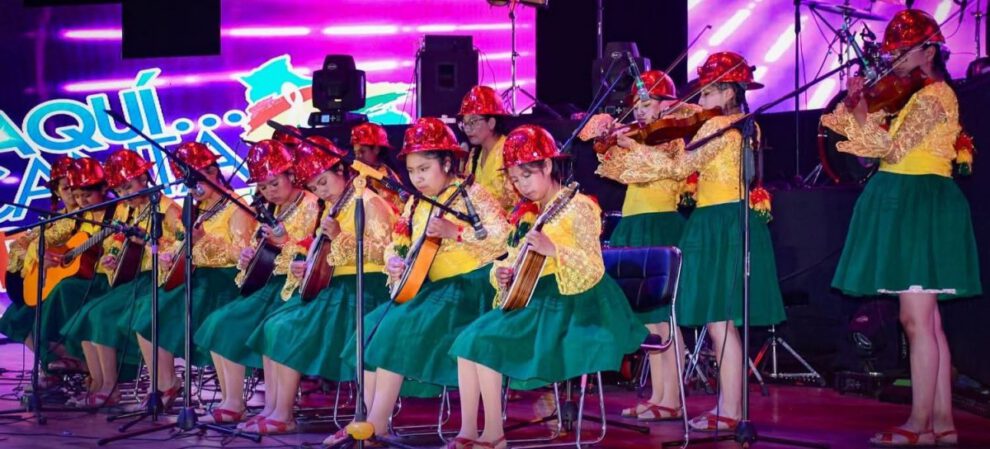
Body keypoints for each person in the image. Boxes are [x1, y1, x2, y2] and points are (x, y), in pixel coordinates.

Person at [820, 9, 981, 447]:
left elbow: (889, 149)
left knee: (916, 320)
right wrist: (860, 107)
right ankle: (942, 422)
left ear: (929, 50)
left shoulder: (934, 95)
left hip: (919, 201)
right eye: (891, 51)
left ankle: (920, 425)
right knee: (928, 322)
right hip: (912, 200)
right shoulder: (911, 96)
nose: (893, 59)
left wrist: (859, 108)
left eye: (902, 50)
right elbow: (874, 152)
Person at [447, 124, 647, 449]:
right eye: (514, 179)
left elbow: (593, 264)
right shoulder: (529, 214)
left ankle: (494, 434)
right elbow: (511, 258)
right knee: (468, 340)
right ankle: (469, 431)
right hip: (536, 297)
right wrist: (502, 274)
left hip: (577, 299)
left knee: (483, 342)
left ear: (548, 166)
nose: (521, 185)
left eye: (527, 175)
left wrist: (554, 250)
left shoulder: (580, 206)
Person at [619, 52, 786, 431]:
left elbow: (679, 167)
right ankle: (726, 407)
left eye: (709, 93)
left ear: (729, 93)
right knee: (718, 321)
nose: (702, 102)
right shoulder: (732, 126)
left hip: (723, 220)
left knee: (720, 322)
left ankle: (730, 410)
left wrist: (638, 149)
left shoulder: (727, 126)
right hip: (716, 219)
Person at [323, 117, 510, 447]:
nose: (417, 178)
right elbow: (401, 242)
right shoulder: (415, 203)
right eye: (412, 171)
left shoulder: (472, 194)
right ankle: (365, 418)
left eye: (425, 168)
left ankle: (375, 423)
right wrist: (395, 259)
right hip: (433, 288)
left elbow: (501, 240)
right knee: (371, 327)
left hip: (471, 287)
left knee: (396, 329)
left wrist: (458, 233)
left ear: (448, 162)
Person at [239, 136, 397, 433]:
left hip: (366, 287)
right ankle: (273, 407)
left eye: (323, 182)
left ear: (341, 170)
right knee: (273, 323)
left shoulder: (370, 201)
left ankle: (284, 414)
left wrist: (339, 237)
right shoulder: (333, 207)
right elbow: (325, 254)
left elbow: (385, 251)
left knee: (285, 327)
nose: (320, 192)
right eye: (313, 188)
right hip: (335, 286)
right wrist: (307, 265)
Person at [193, 139, 321, 421]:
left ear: (292, 175)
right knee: (218, 322)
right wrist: (248, 255)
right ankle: (233, 401)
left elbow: (313, 250)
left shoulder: (311, 204)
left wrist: (284, 242)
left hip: (295, 285)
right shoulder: (272, 210)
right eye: (263, 187)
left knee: (268, 328)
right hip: (269, 283)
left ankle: (277, 411)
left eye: (274, 183)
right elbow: (260, 250)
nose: (269, 192)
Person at [595, 70, 695, 421]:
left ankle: (673, 399)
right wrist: (609, 142)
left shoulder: (674, 139)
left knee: (666, 321)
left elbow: (667, 170)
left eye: (648, 103)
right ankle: (658, 395)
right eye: (637, 104)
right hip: (635, 223)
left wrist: (633, 146)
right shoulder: (642, 138)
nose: (639, 111)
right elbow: (619, 172)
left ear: (667, 104)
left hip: (660, 223)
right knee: (649, 324)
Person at [126, 142, 254, 412]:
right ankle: (162, 384)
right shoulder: (197, 209)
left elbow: (243, 254)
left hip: (224, 282)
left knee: (200, 320)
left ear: (212, 172)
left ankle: (231, 400)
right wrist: (171, 253)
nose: (192, 189)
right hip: (196, 278)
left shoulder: (236, 207)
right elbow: (184, 242)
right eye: (187, 182)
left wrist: (205, 240)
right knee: (146, 314)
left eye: (196, 179)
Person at [60, 150, 184, 408]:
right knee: (90, 313)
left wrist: (155, 244)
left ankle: (163, 382)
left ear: (145, 179)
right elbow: (116, 244)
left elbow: (184, 245)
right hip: (134, 279)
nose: (125, 195)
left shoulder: (169, 210)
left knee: (128, 316)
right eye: (119, 190)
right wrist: (111, 259)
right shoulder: (125, 211)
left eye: (129, 186)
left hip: (160, 279)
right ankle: (105, 384)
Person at [0, 156, 81, 386]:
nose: (72, 192)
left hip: (74, 281)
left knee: (31, 316)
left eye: (75, 186)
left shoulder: (90, 215)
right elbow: (20, 246)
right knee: (12, 318)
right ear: (56, 191)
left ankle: (70, 361)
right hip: (49, 281)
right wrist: (33, 253)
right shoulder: (55, 219)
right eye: (65, 188)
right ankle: (51, 364)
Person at [459, 85, 520, 213]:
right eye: (465, 123)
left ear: (491, 123)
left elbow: (517, 198)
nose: (468, 128)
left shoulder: (510, 149)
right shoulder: (474, 154)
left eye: (473, 122)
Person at [350, 122, 405, 210]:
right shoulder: (354, 172)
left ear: (376, 150)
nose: (358, 157)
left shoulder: (385, 175)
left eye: (362, 151)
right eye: (355, 153)